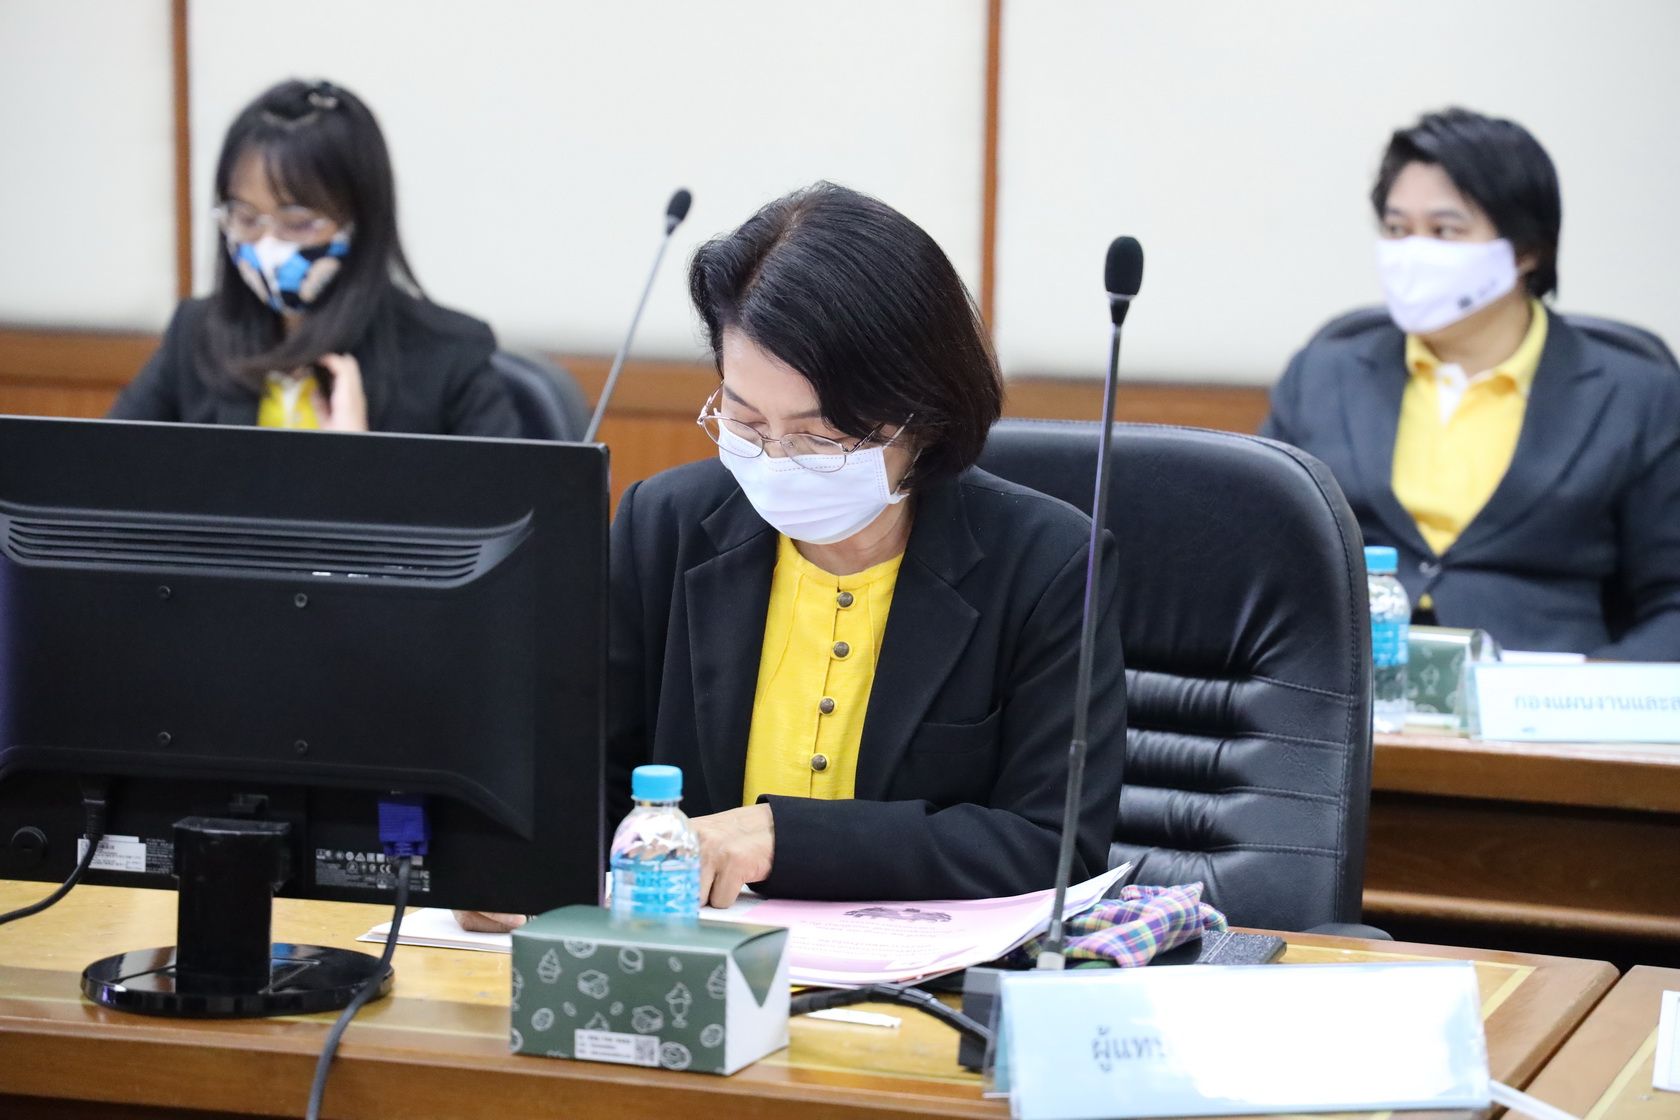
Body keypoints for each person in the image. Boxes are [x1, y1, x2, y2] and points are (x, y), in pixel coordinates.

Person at [456, 183, 1125, 932]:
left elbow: (1052, 848)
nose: (775, 459)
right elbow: (583, 784)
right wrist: (520, 863)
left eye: (818, 435)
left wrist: (780, 836)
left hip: (918, 978)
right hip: (692, 953)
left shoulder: (1045, 564)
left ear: (926, 417)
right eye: (745, 421)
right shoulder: (665, 525)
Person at [1262, 108, 1680, 658]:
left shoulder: (1636, 394)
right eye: (1396, 229)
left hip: (1542, 687)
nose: (1413, 253)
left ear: (1526, 249)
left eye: (1445, 231)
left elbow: (1672, 601)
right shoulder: (1323, 373)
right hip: (1344, 682)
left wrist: (1586, 692)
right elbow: (1258, 550)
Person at [110, 79, 518, 436]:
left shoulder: (449, 354)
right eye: (246, 219)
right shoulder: (195, 334)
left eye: (298, 223)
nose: (267, 245)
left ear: (362, 223)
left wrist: (358, 465)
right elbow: (105, 475)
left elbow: (502, 500)